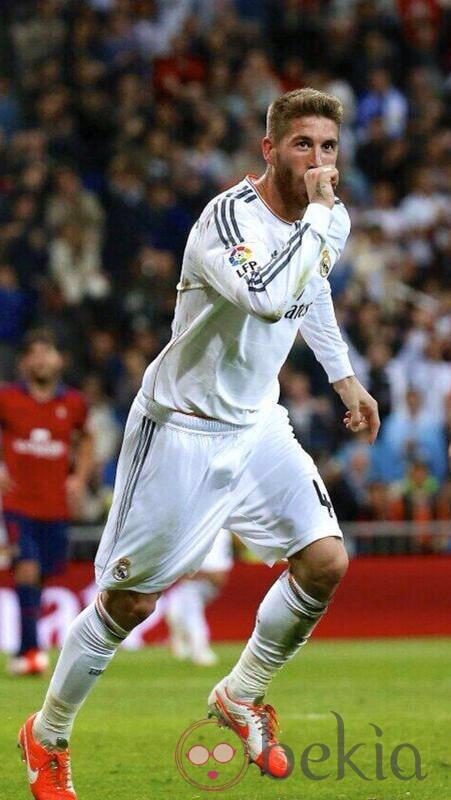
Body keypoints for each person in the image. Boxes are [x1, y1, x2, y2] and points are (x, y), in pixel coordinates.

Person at [19, 88, 380, 797]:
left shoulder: (321, 220)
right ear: (269, 150)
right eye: (303, 145)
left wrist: (343, 379)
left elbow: (310, 295)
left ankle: (240, 694)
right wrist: (321, 218)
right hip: (181, 429)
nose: (318, 161)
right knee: (126, 603)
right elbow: (270, 295)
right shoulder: (226, 222)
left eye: (328, 147)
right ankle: (48, 734)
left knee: (326, 560)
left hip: (256, 425)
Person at [0, 329, 93, 677]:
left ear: (59, 360)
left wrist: (79, 476)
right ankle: (29, 651)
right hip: (16, 504)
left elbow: (86, 438)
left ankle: (26, 647)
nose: (40, 359)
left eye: (47, 352)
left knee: (42, 575)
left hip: (55, 506)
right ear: (23, 362)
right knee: (27, 567)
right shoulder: (7, 398)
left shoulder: (73, 404)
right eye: (34, 353)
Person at [165, 528, 233, 666]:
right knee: (174, 610)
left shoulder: (218, 532)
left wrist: (186, 573)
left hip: (202, 582)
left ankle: (200, 649)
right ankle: (180, 643)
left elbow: (217, 575)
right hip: (195, 580)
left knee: (191, 610)